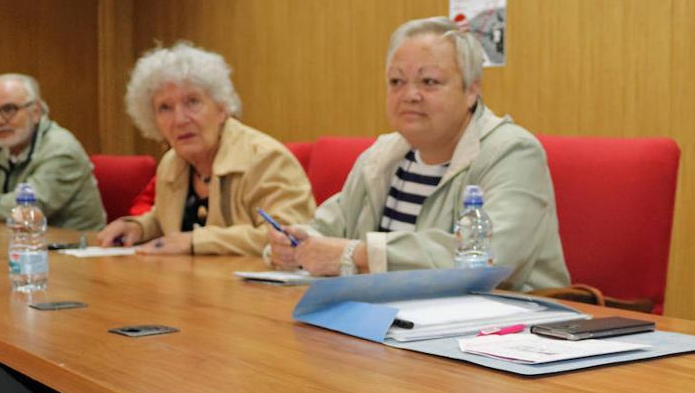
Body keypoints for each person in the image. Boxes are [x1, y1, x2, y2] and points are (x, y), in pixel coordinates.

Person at [267, 17, 568, 291]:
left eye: (429, 82)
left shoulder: (512, 152)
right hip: (392, 319)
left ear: (471, 91)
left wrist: (355, 255)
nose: (409, 95)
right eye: (396, 82)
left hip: (501, 328)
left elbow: (491, 258)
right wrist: (293, 243)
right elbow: (328, 228)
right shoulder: (382, 156)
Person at [98, 42, 314, 255]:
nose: (179, 119)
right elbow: (169, 219)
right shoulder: (173, 162)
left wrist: (195, 241)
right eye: (165, 108)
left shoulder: (266, 158)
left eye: (192, 102)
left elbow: (289, 237)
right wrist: (139, 227)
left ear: (221, 108)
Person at [0, 73, 105, 231]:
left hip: (75, 247)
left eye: (9, 110)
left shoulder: (61, 149)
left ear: (35, 112)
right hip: (17, 242)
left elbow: (29, 207)